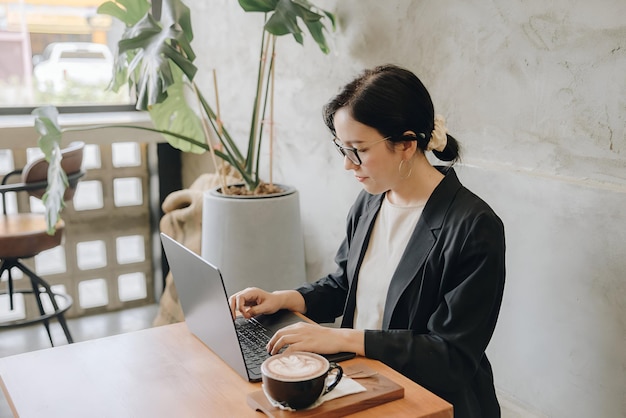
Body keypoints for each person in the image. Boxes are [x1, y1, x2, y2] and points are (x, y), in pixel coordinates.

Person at [229, 64, 506, 418]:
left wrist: (342, 339)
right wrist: (285, 299)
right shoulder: (372, 200)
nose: (348, 165)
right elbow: (346, 284)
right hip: (364, 381)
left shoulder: (474, 226)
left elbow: (449, 356)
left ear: (406, 144)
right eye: (342, 148)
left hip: (431, 400)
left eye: (357, 149)